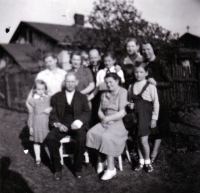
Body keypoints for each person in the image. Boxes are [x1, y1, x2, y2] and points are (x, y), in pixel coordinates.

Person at [44, 73, 91, 181]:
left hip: (76, 125)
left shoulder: (82, 97)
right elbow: (53, 113)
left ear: (76, 82)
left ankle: (78, 168)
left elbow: (87, 112)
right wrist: (58, 124)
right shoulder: (57, 97)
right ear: (64, 82)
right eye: (68, 81)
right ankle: (57, 169)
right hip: (62, 125)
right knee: (51, 138)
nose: (70, 84)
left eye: (72, 81)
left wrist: (78, 122)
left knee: (81, 138)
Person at [86, 73, 128, 180]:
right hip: (105, 120)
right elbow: (99, 110)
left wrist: (108, 119)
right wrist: (103, 119)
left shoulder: (123, 92)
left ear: (117, 81)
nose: (108, 85)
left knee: (107, 137)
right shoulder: (104, 94)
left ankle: (111, 168)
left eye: (111, 82)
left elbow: (122, 112)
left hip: (118, 122)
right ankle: (102, 159)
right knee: (91, 133)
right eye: (107, 82)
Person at [141, 41, 173, 164]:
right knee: (149, 125)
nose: (146, 51)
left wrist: (157, 83)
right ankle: (146, 151)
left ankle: (154, 152)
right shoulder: (143, 64)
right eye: (144, 50)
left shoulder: (161, 63)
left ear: (153, 49)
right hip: (146, 100)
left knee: (159, 126)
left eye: (148, 49)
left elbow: (170, 82)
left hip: (160, 99)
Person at [127, 62, 159, 172]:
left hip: (145, 116)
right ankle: (141, 161)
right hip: (135, 117)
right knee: (137, 140)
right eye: (136, 72)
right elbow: (129, 100)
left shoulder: (150, 86)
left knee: (144, 140)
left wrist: (154, 118)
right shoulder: (131, 86)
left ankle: (148, 162)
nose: (138, 74)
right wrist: (129, 104)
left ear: (146, 73)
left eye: (141, 72)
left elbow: (156, 103)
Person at [27, 80, 52, 167]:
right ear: (34, 90)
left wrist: (50, 108)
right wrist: (30, 127)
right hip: (36, 123)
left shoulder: (49, 98)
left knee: (47, 141)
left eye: (43, 89)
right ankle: (38, 158)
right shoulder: (32, 100)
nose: (41, 91)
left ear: (45, 89)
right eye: (38, 89)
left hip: (46, 123)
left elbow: (54, 107)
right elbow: (31, 114)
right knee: (36, 141)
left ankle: (51, 158)